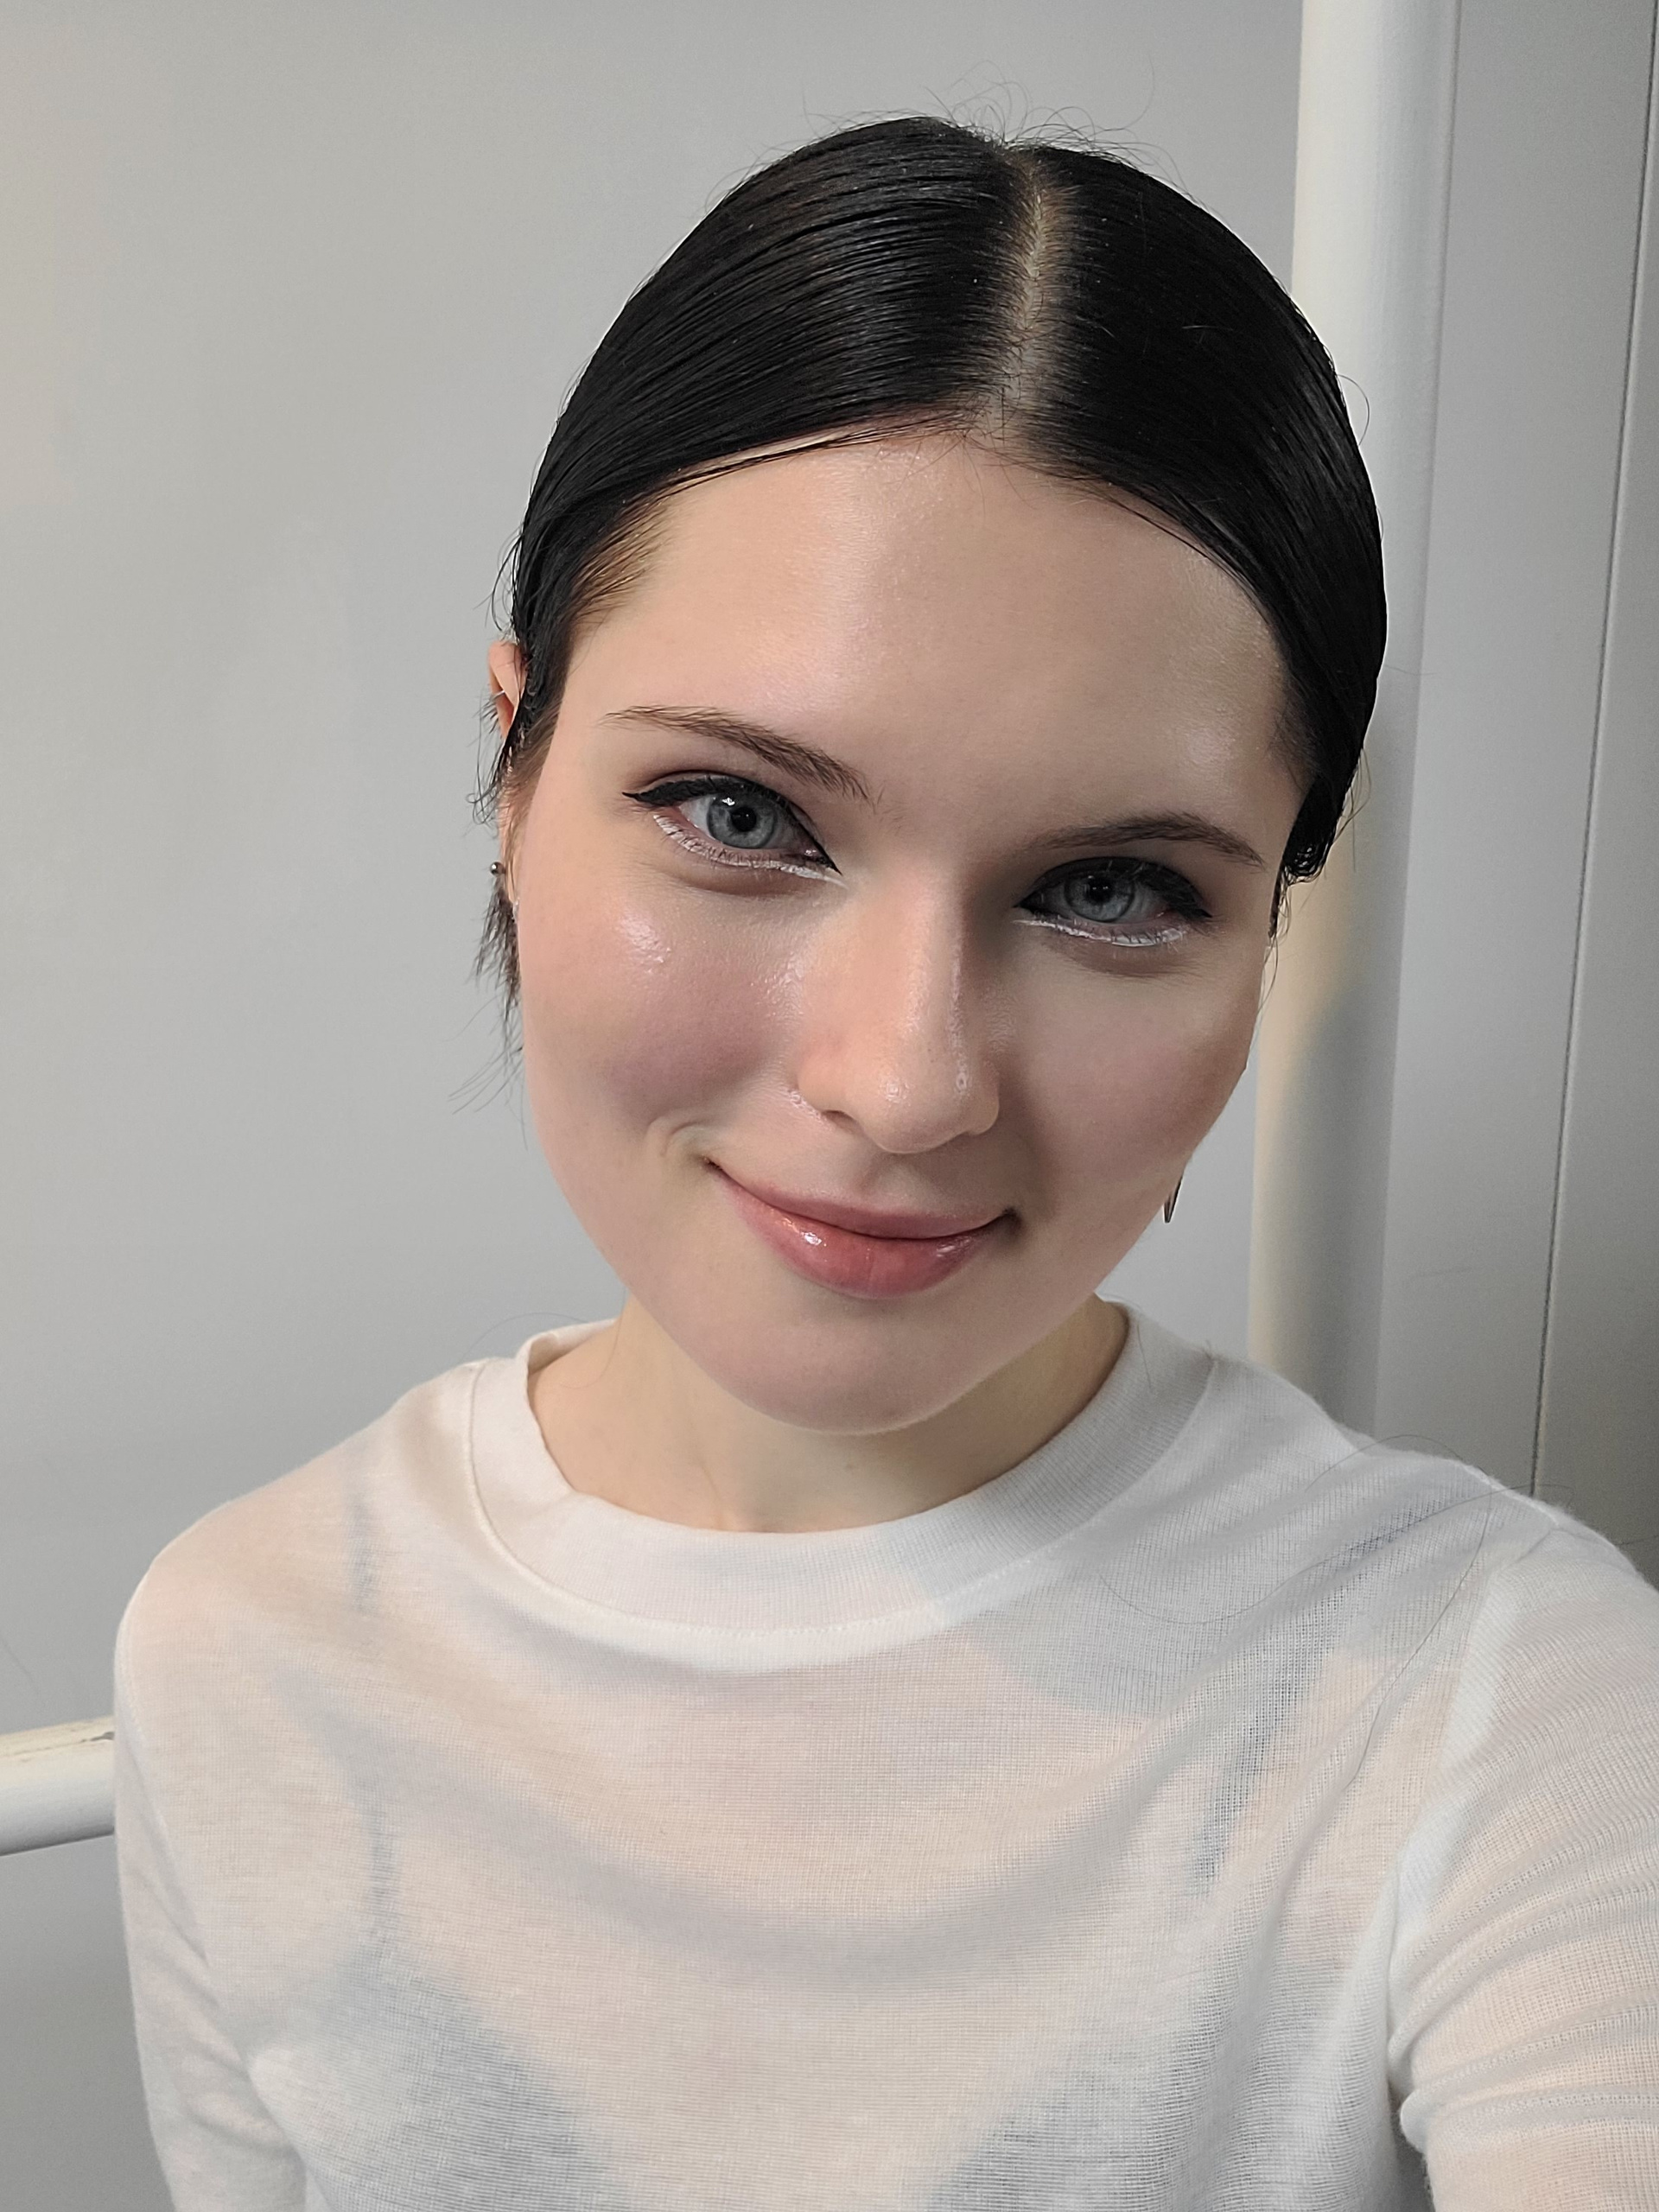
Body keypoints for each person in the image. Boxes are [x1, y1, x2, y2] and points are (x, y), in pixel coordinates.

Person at [111, 116, 1659, 2210]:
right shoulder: (251, 1653)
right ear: (512, 769)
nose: (909, 1078)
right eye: (742, 815)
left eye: (1114, 886)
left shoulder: (1504, 1700)